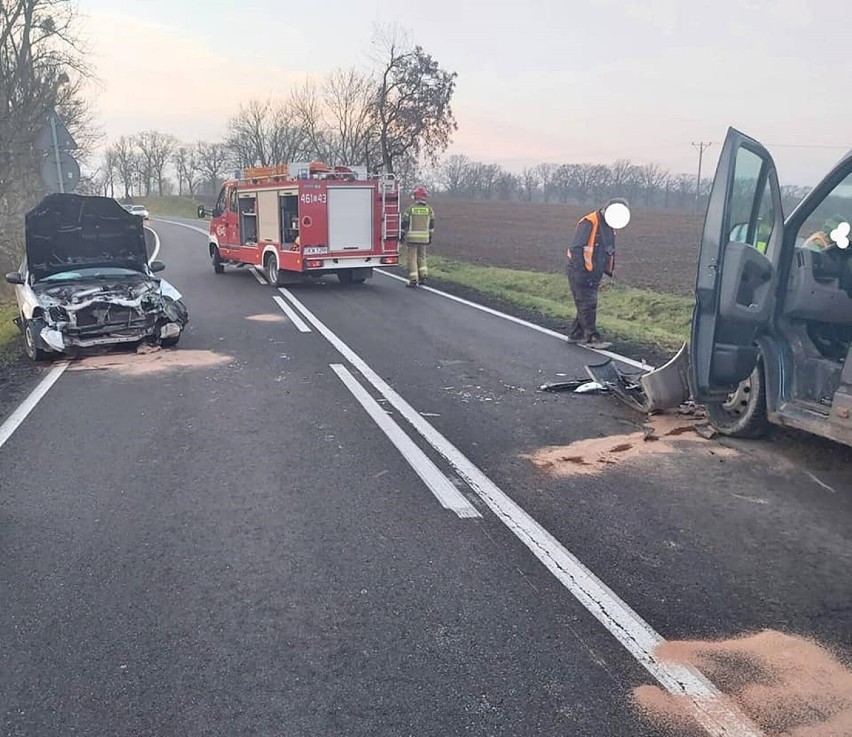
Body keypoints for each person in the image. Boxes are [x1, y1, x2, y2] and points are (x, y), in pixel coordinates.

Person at [565, 198, 630, 349]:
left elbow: (607, 249)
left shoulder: (609, 225)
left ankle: (576, 334)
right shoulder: (589, 222)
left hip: (594, 271)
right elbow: (576, 248)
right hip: (580, 270)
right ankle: (592, 337)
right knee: (588, 303)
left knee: (585, 303)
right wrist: (581, 272)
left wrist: (606, 269)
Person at [401, 186, 435, 288]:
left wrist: (402, 235)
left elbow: (404, 224)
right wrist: (430, 237)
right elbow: (432, 225)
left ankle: (413, 279)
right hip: (424, 238)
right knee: (422, 257)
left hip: (412, 239)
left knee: (412, 259)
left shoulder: (410, 209)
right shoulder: (429, 210)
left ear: (415, 197)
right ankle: (423, 276)